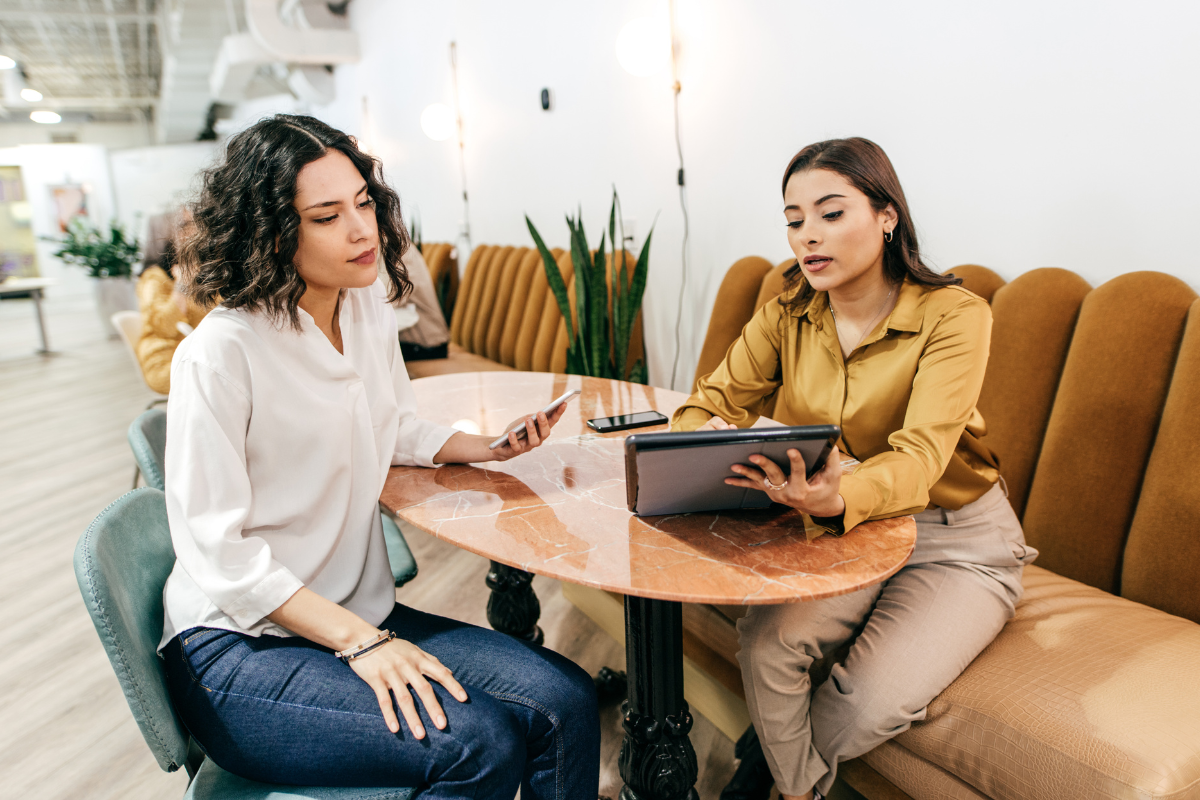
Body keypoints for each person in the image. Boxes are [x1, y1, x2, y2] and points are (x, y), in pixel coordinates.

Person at [159, 114, 600, 800]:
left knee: (566, 701)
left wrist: (484, 446)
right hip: (241, 647)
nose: (363, 229)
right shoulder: (221, 353)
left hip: (349, 610)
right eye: (328, 216)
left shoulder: (364, 308)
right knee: (477, 745)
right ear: (272, 232)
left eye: (364, 203)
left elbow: (392, 424)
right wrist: (361, 642)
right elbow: (221, 554)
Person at [672, 138, 1036, 800]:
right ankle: (800, 791)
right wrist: (698, 455)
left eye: (830, 213)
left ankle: (771, 779)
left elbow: (922, 458)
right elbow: (707, 404)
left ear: (887, 215)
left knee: (871, 699)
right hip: (840, 528)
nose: (807, 235)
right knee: (768, 645)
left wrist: (837, 495)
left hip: (955, 538)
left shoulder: (955, 314)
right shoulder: (786, 309)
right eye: (793, 218)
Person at [134, 210, 208, 394]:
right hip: (166, 359)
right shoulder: (154, 278)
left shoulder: (198, 268)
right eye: (185, 226)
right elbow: (165, 326)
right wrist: (182, 285)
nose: (195, 231)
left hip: (197, 353)